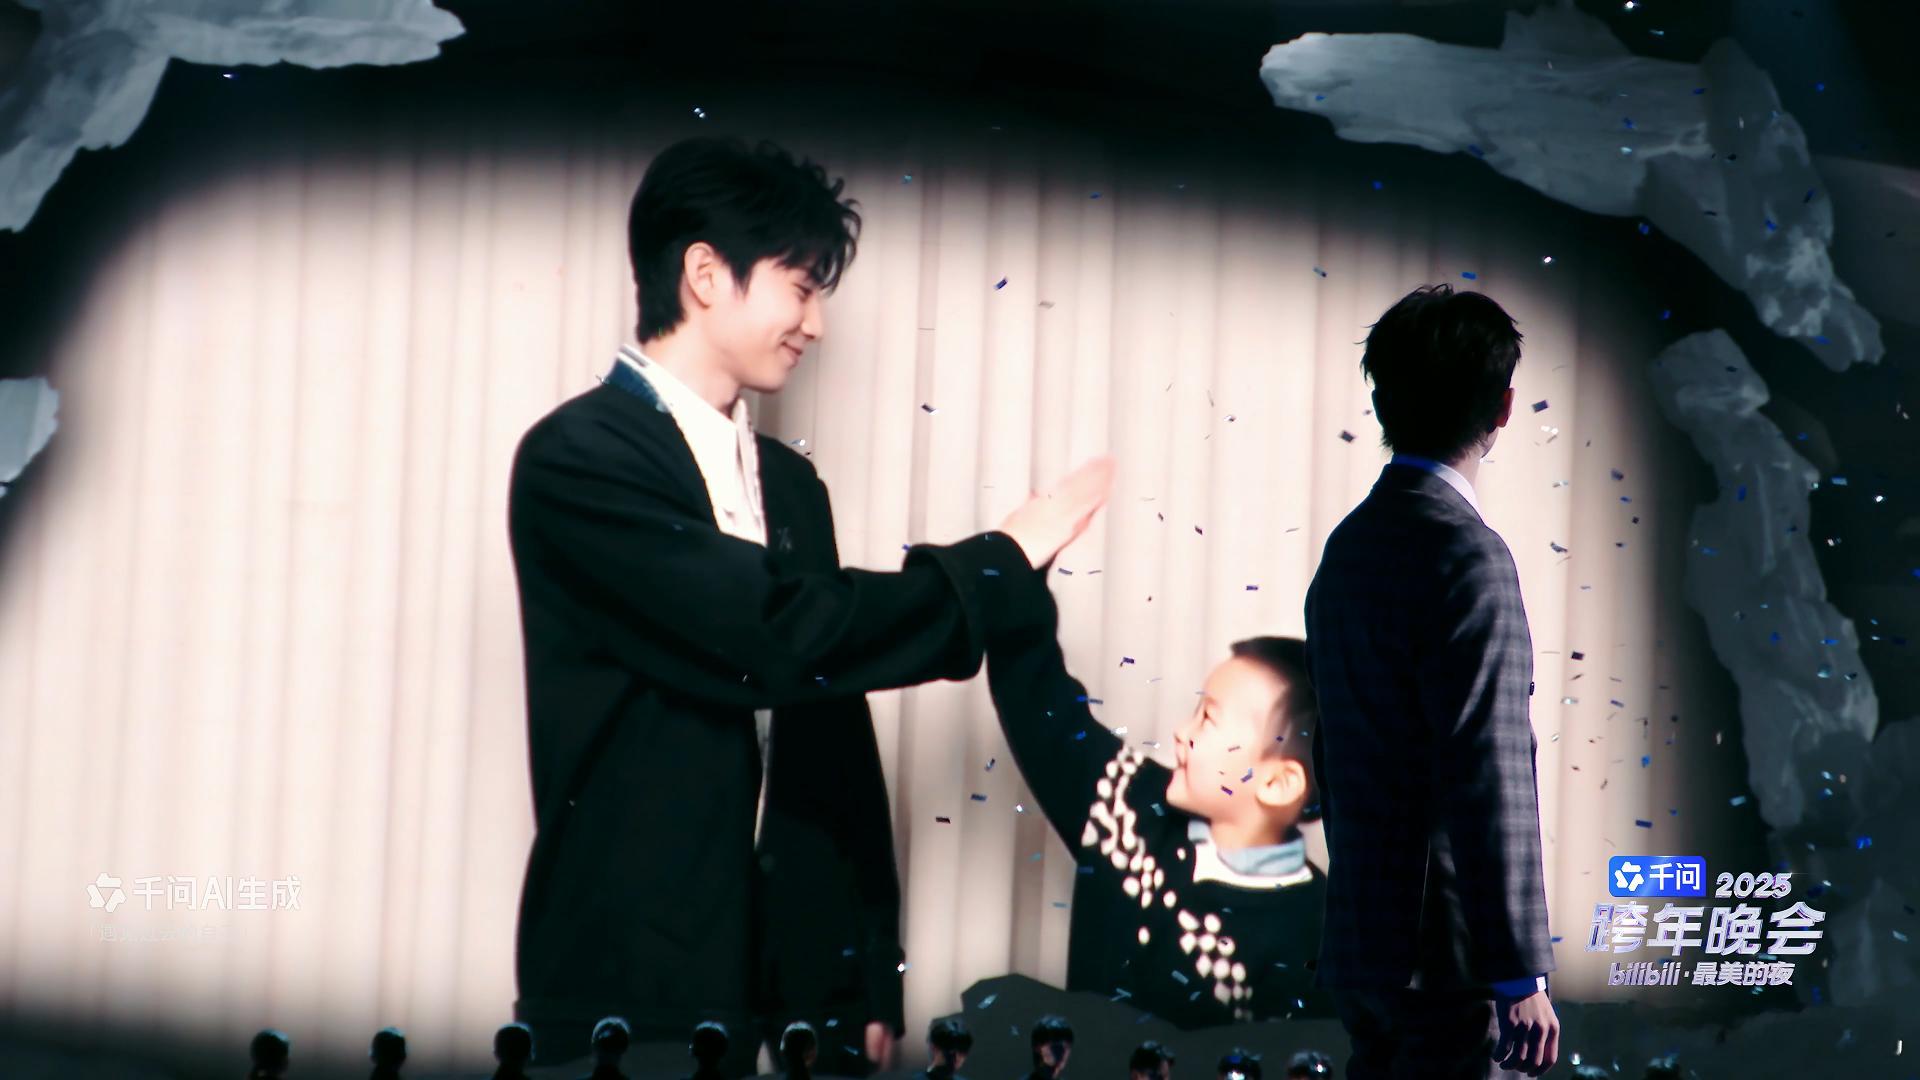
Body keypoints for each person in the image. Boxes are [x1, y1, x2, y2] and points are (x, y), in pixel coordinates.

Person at [506, 135, 1114, 1077]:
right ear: (706, 275)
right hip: (628, 979)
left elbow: (832, 723)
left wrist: (865, 967)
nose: (816, 324)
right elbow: (773, 637)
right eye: (801, 287)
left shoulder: (790, 487)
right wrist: (998, 564)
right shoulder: (577, 458)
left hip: (798, 985)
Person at [1303, 284, 1558, 1078]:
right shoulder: (1467, 555)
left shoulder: (1350, 547)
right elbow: (1488, 767)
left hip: (1365, 944)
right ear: (1504, 407)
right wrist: (1517, 969)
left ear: (1382, 400)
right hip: (1450, 957)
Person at [981, 586, 1329, 1024]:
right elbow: (1040, 706)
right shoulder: (1128, 805)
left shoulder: (1318, 934)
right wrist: (1019, 570)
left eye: (1208, 718)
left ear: (1278, 783)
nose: (1182, 732)